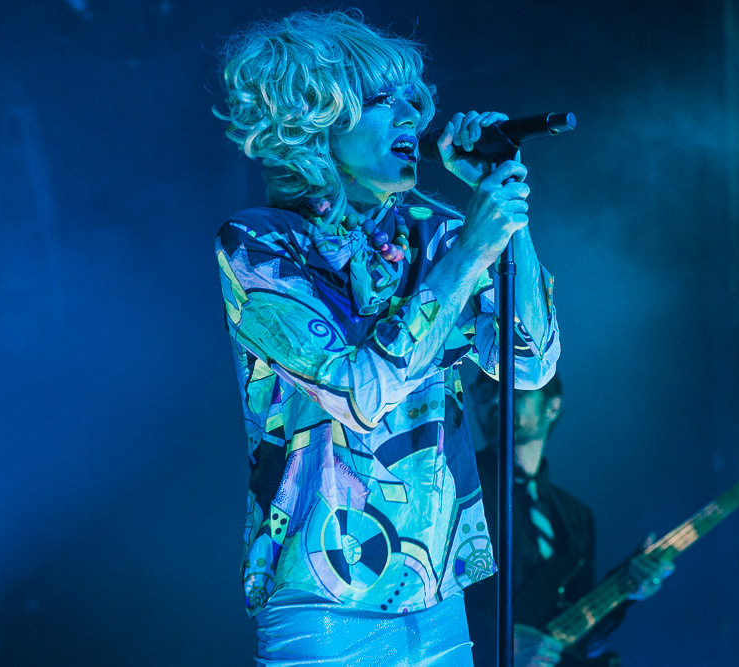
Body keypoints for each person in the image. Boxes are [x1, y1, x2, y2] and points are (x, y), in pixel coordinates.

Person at [212, 10, 560, 666]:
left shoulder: (441, 231)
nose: (411, 117)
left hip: (438, 593)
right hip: (323, 599)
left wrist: (504, 216)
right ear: (318, 120)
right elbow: (359, 394)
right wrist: (470, 254)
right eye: (381, 101)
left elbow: (530, 363)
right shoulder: (262, 245)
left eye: (413, 99)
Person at [463, 372, 674, 666]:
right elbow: (424, 598)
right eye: (485, 391)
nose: (497, 399)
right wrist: (496, 641)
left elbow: (583, 642)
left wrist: (625, 589)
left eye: (515, 390)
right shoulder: (459, 491)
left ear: (552, 407)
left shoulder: (576, 516)